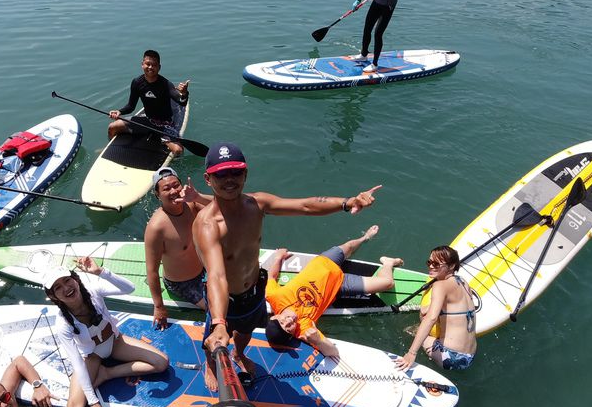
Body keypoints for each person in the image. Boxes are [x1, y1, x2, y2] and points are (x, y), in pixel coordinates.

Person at [193, 141, 382, 392]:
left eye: (235, 172)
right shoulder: (207, 225)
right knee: (214, 338)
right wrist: (218, 321)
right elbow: (216, 275)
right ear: (208, 179)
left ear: (245, 174)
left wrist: (346, 203)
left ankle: (239, 354)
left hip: (256, 289)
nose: (230, 179)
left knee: (247, 330)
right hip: (224, 299)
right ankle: (209, 364)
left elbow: (304, 205)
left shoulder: (256, 204)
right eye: (221, 174)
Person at [36, 256, 169, 407]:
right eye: (58, 288)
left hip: (116, 344)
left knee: (161, 363)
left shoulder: (94, 289)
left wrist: (101, 271)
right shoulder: (63, 323)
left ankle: (108, 375)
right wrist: (93, 401)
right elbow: (77, 363)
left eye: (68, 280)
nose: (66, 288)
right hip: (92, 358)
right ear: (54, 296)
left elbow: (129, 288)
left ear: (75, 279)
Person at [263, 225, 403, 357]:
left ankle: (365, 237)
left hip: (324, 262)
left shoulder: (275, 296)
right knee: (388, 283)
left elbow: (271, 276)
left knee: (349, 246)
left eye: (282, 323)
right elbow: (333, 352)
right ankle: (388, 262)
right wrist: (318, 340)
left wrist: (278, 257)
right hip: (340, 284)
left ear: (274, 317)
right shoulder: (304, 329)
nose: (289, 323)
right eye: (289, 329)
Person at [144, 167, 213, 329]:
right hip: (182, 283)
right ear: (157, 195)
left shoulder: (192, 205)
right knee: (218, 309)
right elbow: (152, 271)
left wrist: (198, 197)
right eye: (166, 189)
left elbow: (222, 207)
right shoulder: (156, 228)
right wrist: (159, 307)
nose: (173, 191)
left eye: (176, 185)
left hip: (204, 267)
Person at [396, 245, 478, 371]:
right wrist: (431, 307)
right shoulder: (463, 281)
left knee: (411, 330)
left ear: (451, 266)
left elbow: (431, 319)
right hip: (471, 355)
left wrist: (411, 354)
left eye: (436, 264)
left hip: (451, 358)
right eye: (429, 262)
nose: (431, 266)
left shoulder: (440, 286)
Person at [108, 49, 190, 158]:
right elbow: (131, 106)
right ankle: (110, 149)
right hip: (147, 120)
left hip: (164, 124)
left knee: (178, 150)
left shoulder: (166, 84)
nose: (150, 67)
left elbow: (181, 103)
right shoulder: (137, 82)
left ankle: (163, 142)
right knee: (112, 127)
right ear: (142, 65)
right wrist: (119, 111)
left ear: (159, 67)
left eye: (154, 65)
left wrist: (184, 93)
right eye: (148, 64)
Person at [352, 0, 403, 74]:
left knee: (378, 34)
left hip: (389, 5)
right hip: (377, 1)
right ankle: (363, 55)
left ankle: (374, 64)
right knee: (367, 28)